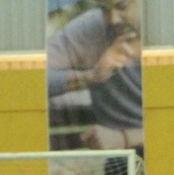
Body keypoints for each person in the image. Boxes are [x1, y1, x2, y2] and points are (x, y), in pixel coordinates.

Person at [47, 0, 144, 153]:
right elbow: (30, 78)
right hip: (123, 159)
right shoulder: (92, 27)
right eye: (104, 9)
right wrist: (90, 76)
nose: (113, 20)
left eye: (122, 6)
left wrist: (124, 138)